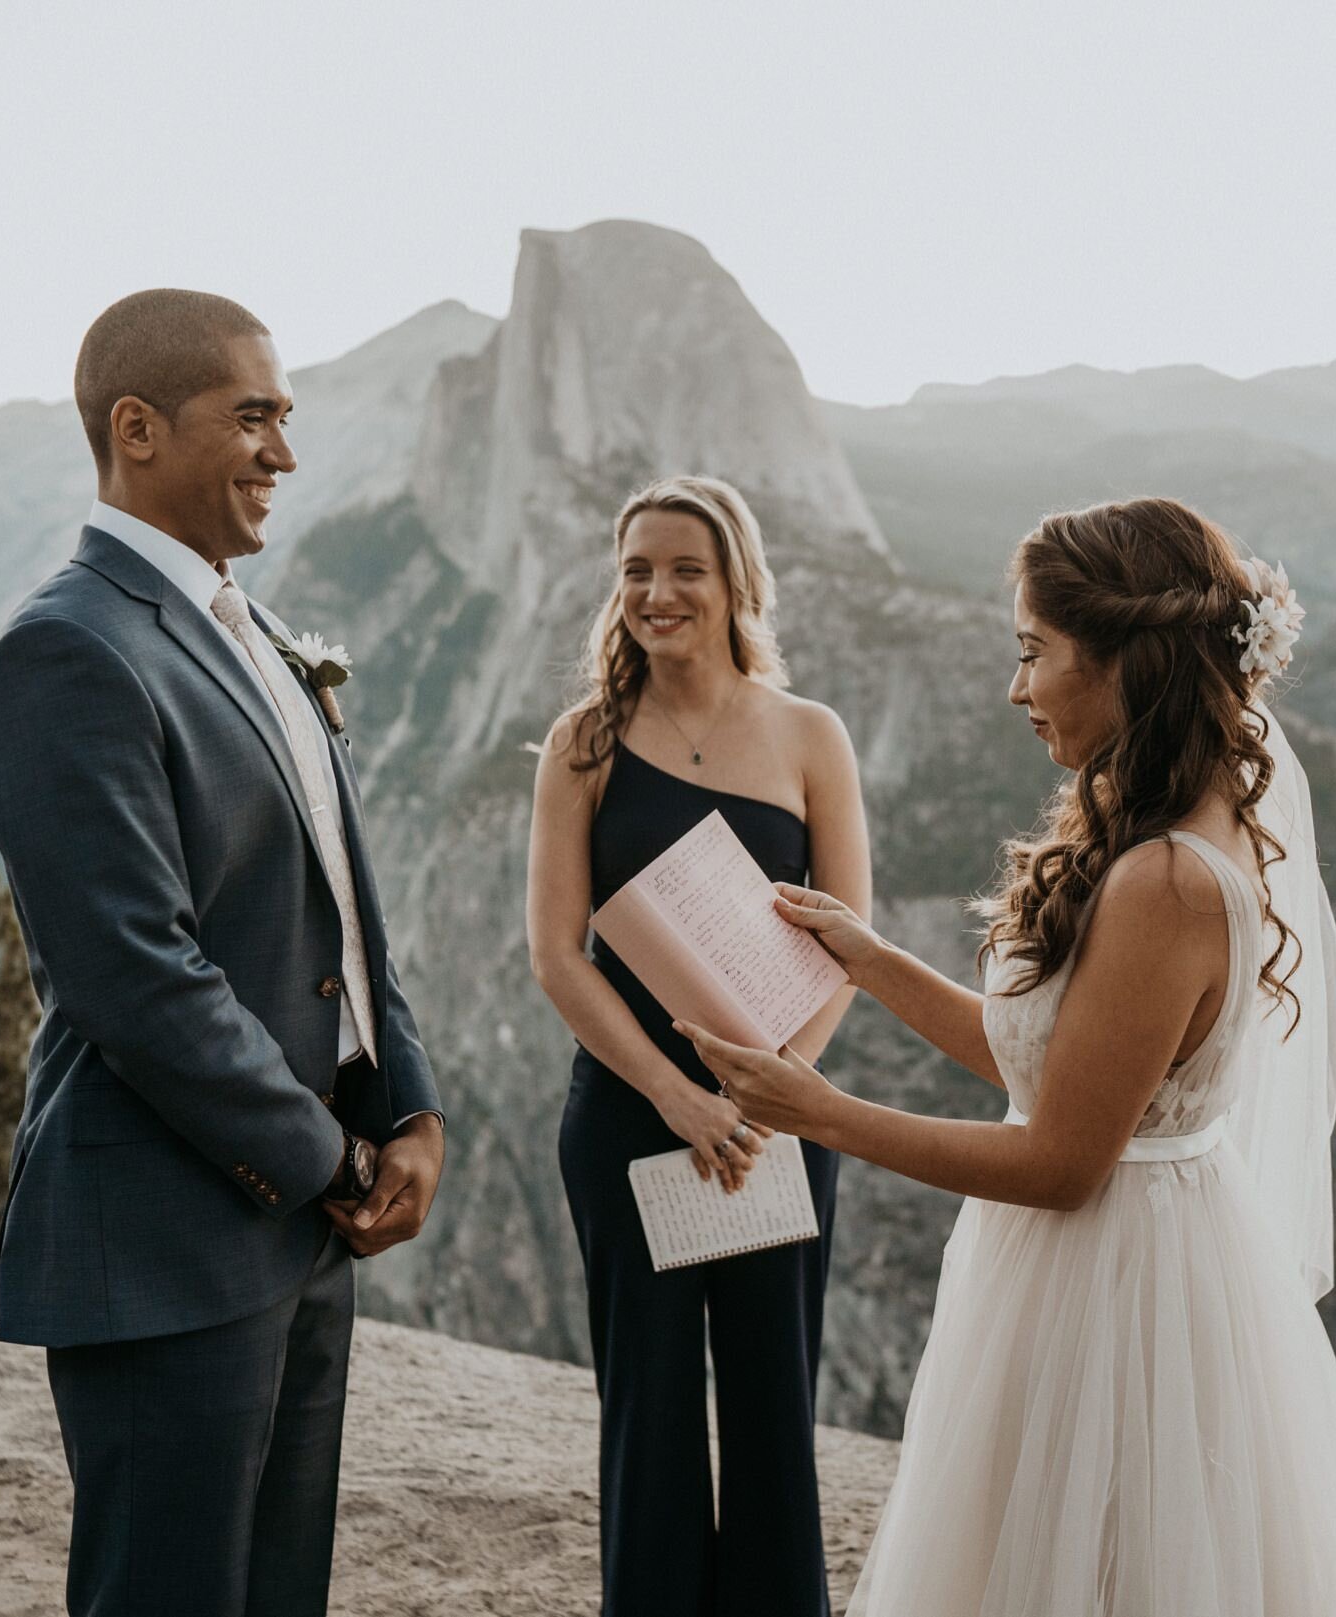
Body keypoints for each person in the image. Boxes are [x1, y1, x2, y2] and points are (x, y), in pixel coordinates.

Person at [681, 498, 1336, 1615]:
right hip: (1110, 1250)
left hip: (1116, 1283)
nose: (1014, 686)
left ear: (1125, 662)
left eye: (1032, 652)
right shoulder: (1164, 824)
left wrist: (815, 1110)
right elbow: (1043, 1066)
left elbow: (1061, 1162)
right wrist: (865, 959)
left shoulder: (1164, 881)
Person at [0, 288, 446, 1617]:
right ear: (135, 429)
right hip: (166, 1242)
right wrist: (330, 1159)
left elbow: (344, 904)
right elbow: (135, 977)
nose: (283, 454)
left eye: (285, 418)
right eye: (251, 418)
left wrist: (405, 1101)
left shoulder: (253, 628)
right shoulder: (67, 649)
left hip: (299, 1234)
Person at [526, 475, 872, 1617]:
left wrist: (776, 1093)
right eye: (636, 570)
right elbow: (559, 957)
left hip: (779, 1117)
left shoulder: (809, 736)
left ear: (734, 586)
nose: (657, 591)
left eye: (685, 569)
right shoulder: (581, 746)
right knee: (652, 1412)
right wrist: (678, 1098)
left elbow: (852, 949)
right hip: (633, 1118)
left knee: (774, 1407)